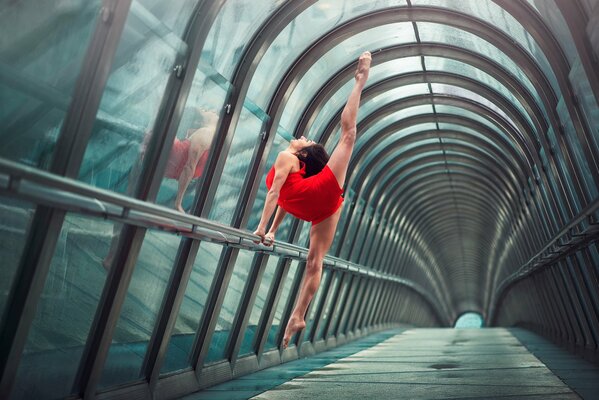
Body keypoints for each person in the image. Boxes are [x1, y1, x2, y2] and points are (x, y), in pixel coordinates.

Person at [254, 51, 371, 348]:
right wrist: (272, 231)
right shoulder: (298, 169)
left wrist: (262, 228)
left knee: (348, 135)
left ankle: (360, 81)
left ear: (303, 153)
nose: (302, 137)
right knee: (314, 262)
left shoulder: (286, 157)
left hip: (319, 196)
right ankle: (298, 315)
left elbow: (274, 194)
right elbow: (282, 198)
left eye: (306, 141)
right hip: (327, 203)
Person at [103, 109, 218, 269]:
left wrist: (179, 201)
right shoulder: (210, 136)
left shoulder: (205, 134)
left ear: (215, 116)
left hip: (155, 163)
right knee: (134, 210)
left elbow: (189, 168)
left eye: (209, 110)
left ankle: (115, 257)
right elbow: (192, 168)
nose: (205, 110)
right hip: (155, 163)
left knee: (133, 209)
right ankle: (116, 257)